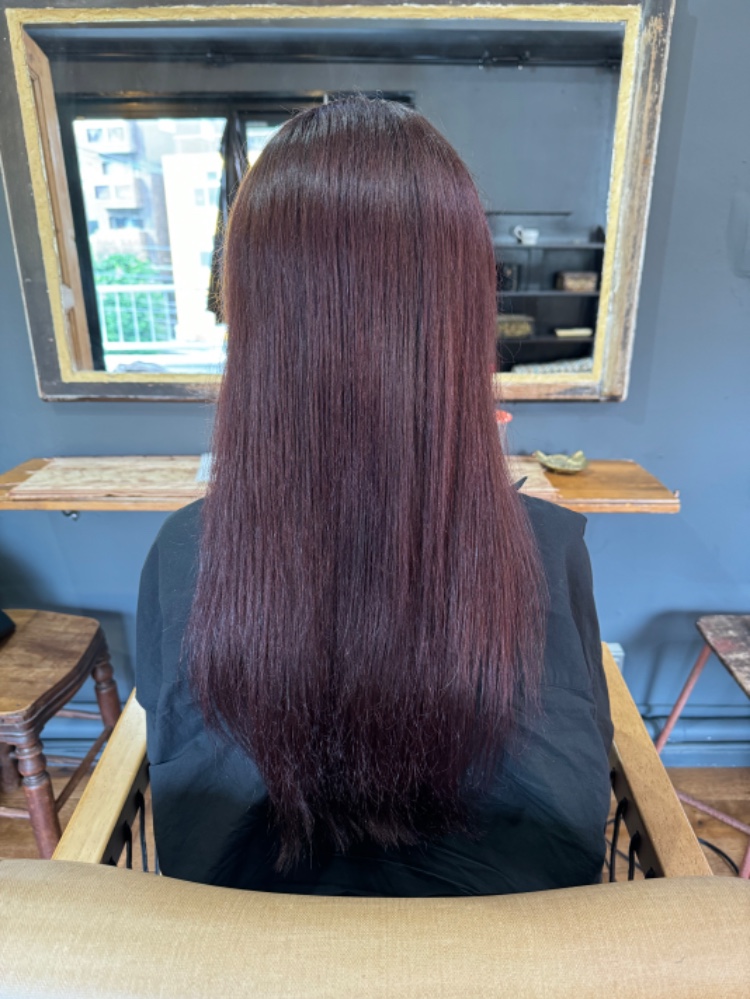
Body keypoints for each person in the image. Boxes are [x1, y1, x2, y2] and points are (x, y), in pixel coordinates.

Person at [136, 97, 612, 896]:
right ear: (463, 310)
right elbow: (574, 811)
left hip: (243, 942)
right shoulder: (548, 550)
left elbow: (183, 801)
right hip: (511, 946)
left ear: (257, 319)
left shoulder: (185, 552)